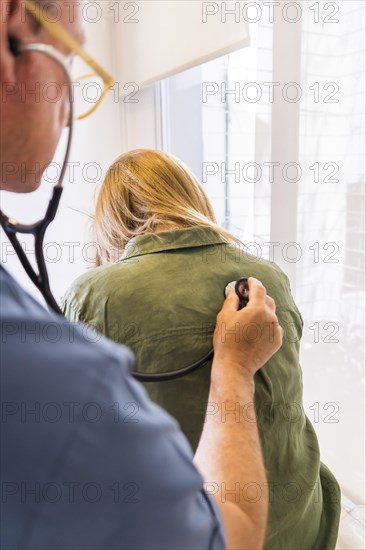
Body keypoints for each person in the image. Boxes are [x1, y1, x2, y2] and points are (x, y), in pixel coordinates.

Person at [0, 1, 283, 549]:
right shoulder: (267, 279)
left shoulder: (85, 306)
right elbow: (230, 535)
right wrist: (234, 365)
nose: (66, 112)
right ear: (15, 36)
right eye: (74, 62)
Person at [63, 149, 342, 550]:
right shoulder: (269, 277)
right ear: (191, 196)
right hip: (302, 526)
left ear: (111, 221)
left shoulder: (92, 296)